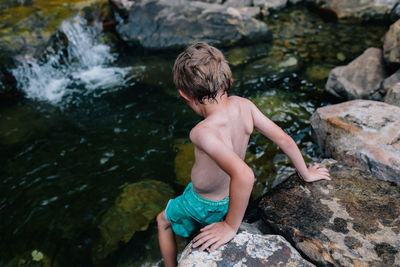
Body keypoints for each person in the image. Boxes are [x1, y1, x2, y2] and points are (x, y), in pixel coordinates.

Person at [156, 42, 331, 267]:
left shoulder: (201, 132)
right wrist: (305, 173)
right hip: (234, 198)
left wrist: (230, 226)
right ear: (227, 78)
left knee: (163, 221)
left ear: (184, 94)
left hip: (203, 203)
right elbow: (283, 139)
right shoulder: (244, 105)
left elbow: (245, 175)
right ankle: (207, 230)